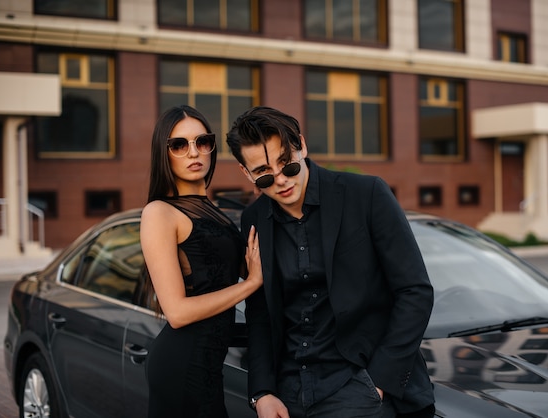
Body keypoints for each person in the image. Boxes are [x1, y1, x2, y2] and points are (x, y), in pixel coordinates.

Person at [226, 106, 435, 418]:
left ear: (302, 145)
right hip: (290, 393)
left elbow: (415, 291)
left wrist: (379, 382)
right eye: (265, 175)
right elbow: (261, 313)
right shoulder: (255, 218)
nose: (281, 181)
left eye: (288, 165)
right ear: (247, 173)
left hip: (359, 386)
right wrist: (262, 392)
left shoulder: (366, 194)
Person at [140, 105, 263, 418]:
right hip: (181, 365)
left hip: (210, 363)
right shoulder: (159, 213)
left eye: (202, 142)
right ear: (163, 153)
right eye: (179, 145)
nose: (193, 152)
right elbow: (178, 313)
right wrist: (250, 284)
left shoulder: (213, 210)